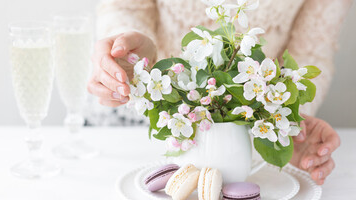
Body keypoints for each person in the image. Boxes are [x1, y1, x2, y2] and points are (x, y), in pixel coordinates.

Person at [87, 0, 351, 185]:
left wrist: (285, 120)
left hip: (242, 134)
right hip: (136, 111)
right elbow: (125, 6)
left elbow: (313, 50)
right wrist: (129, 56)